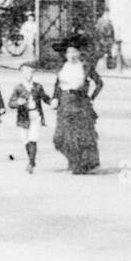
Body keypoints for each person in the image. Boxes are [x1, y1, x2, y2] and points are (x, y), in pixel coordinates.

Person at [52, 43, 104, 174]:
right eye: (68, 52)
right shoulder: (62, 67)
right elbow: (57, 84)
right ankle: (72, 160)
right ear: (65, 54)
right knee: (61, 136)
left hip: (80, 103)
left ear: (79, 53)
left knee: (80, 136)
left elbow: (99, 83)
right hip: (64, 102)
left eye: (74, 52)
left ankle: (80, 164)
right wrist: (55, 98)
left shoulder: (85, 67)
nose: (71, 55)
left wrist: (91, 97)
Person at [7, 63, 50, 174]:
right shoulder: (18, 87)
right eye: (26, 72)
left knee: (33, 139)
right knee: (25, 140)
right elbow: (10, 103)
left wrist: (53, 102)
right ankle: (31, 159)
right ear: (22, 73)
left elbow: (45, 98)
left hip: (35, 115)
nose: (28, 74)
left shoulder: (38, 86)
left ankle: (31, 163)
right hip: (23, 117)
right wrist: (18, 103)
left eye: (30, 72)